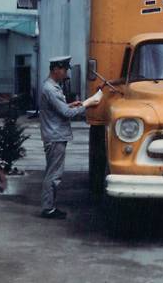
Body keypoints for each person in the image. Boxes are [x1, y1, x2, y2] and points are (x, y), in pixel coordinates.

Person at [40, 55, 102, 219]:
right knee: (54, 174)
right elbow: (66, 114)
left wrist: (70, 104)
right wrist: (87, 104)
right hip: (55, 136)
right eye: (64, 70)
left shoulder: (52, 87)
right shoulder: (50, 89)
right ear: (56, 69)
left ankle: (49, 206)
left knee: (53, 172)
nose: (66, 73)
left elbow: (60, 109)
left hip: (55, 134)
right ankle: (48, 208)